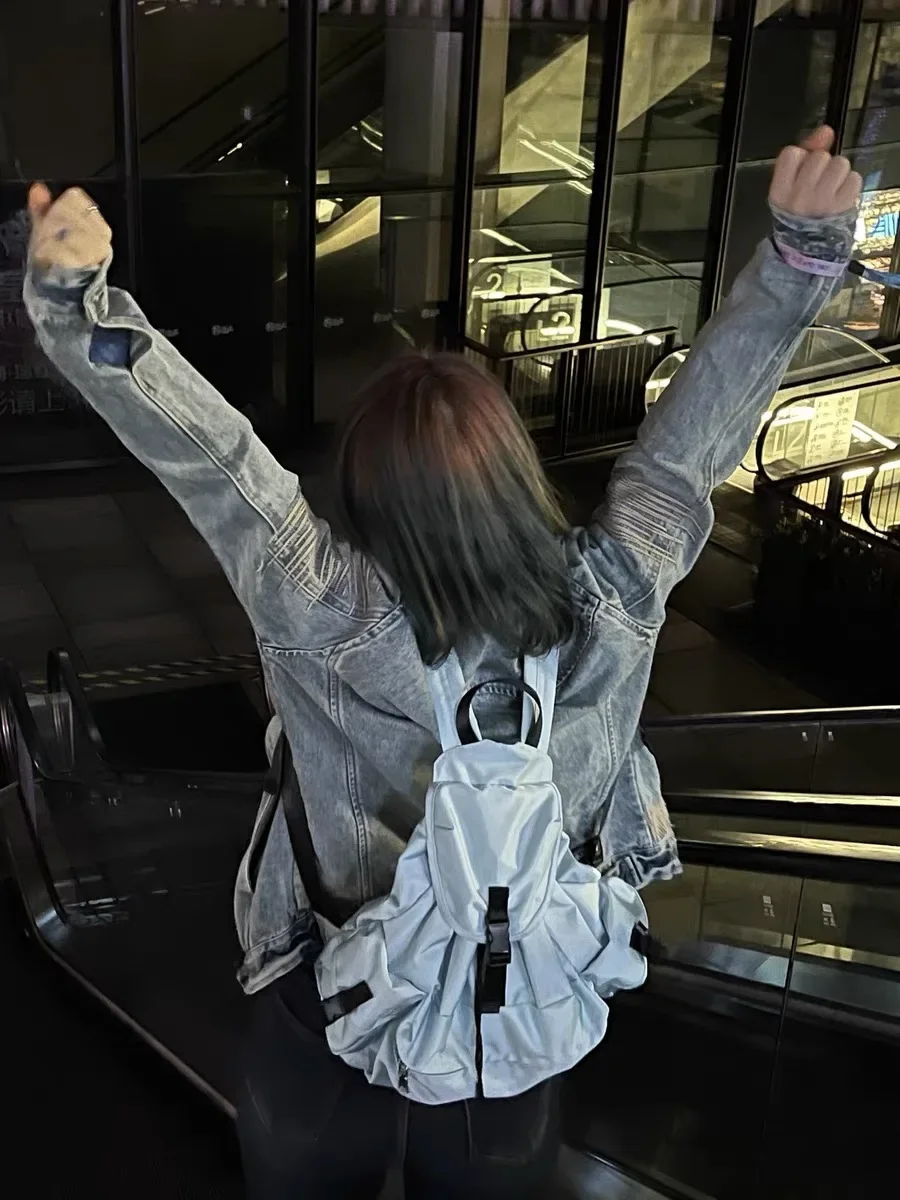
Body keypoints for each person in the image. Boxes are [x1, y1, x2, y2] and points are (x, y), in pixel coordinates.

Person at [24, 126, 860, 1199]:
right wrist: (799, 254)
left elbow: (217, 460)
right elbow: (687, 449)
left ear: (368, 498)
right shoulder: (617, 590)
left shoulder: (320, 601)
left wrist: (77, 303)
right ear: (513, 475)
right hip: (519, 1016)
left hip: (332, 1000)